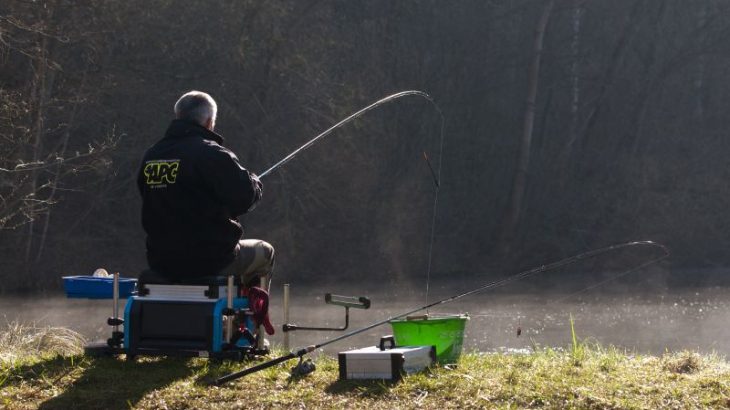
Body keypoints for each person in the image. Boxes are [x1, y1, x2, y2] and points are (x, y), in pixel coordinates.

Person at [137, 90, 275, 289]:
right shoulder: (211, 153)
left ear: (178, 116)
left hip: (161, 263)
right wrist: (255, 183)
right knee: (266, 252)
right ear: (209, 121)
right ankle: (253, 318)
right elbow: (245, 199)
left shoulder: (152, 155)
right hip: (211, 261)